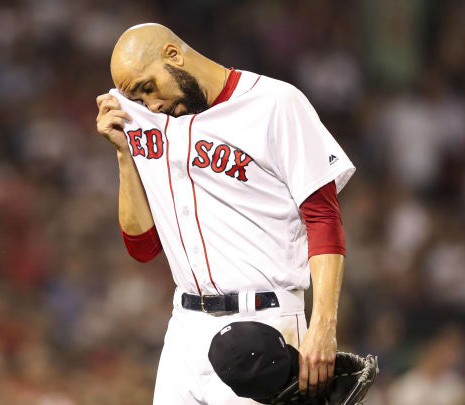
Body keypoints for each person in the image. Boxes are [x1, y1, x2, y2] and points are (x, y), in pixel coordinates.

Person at [95, 23, 355, 404]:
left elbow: (323, 218)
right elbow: (143, 247)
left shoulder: (275, 103)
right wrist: (123, 154)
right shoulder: (138, 115)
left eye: (149, 87)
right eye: (137, 96)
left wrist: (324, 324)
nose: (150, 104)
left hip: (264, 329)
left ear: (173, 54)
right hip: (184, 329)